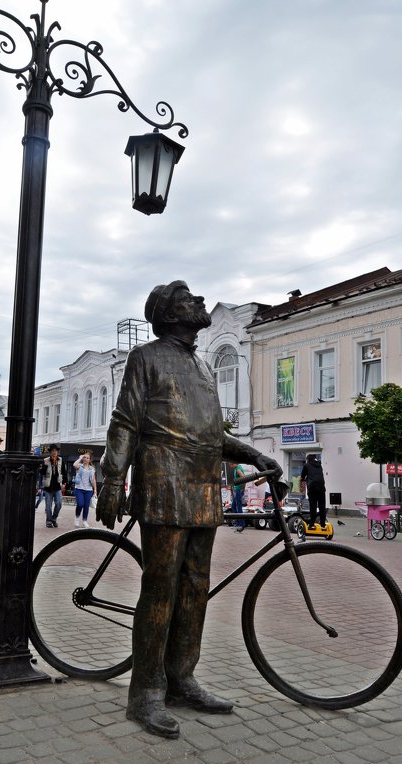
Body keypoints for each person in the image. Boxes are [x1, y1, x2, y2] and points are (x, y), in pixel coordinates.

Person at [97, 280, 282, 739]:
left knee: (195, 589)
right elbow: (125, 422)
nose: (199, 301)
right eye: (188, 297)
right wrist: (113, 480)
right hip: (163, 483)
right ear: (169, 312)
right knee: (160, 589)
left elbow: (211, 436)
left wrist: (253, 454)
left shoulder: (200, 364)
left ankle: (182, 678)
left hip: (202, 489)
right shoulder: (146, 357)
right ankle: (144, 693)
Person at [300, 453, 327, 530]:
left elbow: (302, 477)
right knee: (322, 507)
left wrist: (302, 486)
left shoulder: (306, 465)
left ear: (308, 459)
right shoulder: (319, 465)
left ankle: (311, 524)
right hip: (321, 488)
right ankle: (323, 525)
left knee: (313, 506)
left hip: (312, 488)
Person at [73, 452, 97, 527]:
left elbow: (93, 480)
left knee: (86, 506)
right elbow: (74, 465)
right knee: (80, 504)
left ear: (89, 460)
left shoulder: (92, 469)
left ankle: (84, 521)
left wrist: (95, 490)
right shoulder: (79, 466)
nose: (86, 459)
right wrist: (80, 458)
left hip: (88, 490)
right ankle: (77, 518)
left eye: (87, 458)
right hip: (79, 489)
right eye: (84, 457)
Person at [41, 444, 62, 528]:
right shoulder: (45, 460)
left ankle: (54, 518)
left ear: (57, 452)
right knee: (48, 506)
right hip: (48, 487)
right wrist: (45, 466)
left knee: (59, 504)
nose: (54, 452)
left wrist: (64, 483)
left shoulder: (60, 460)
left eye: (55, 451)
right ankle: (49, 521)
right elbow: (41, 473)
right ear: (50, 452)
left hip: (57, 486)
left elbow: (63, 471)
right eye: (52, 451)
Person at [231, 463, 246, 531]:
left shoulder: (238, 470)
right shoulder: (236, 468)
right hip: (237, 490)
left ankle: (241, 524)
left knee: (238, 507)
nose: (230, 467)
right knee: (233, 506)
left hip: (238, 490)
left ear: (233, 464)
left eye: (231, 465)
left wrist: (243, 489)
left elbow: (244, 478)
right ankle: (237, 523)